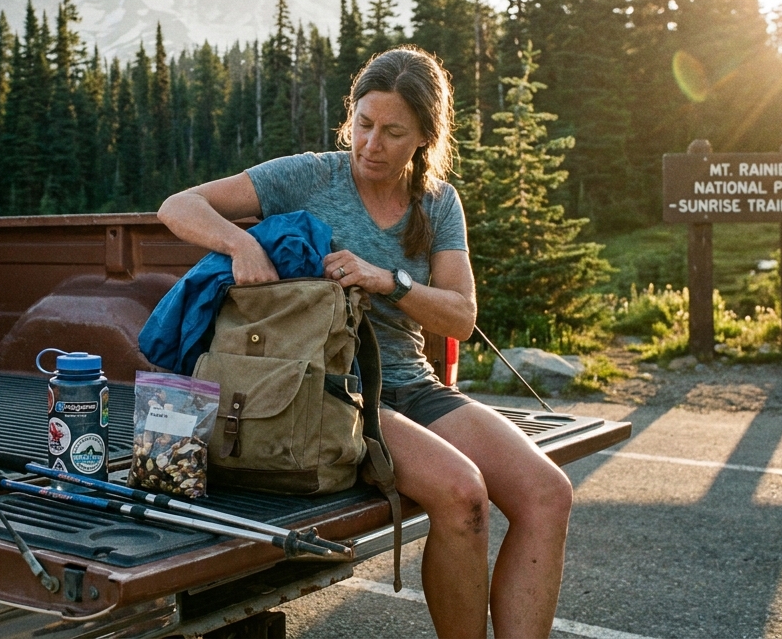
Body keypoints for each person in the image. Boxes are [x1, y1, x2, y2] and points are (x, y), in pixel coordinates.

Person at [157, 46, 574, 638]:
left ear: (423, 138)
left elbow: (460, 317)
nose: (371, 144)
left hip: (414, 387)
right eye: (364, 124)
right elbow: (179, 206)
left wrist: (390, 282)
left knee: (549, 495)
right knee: (462, 495)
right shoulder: (312, 176)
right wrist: (240, 245)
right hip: (338, 395)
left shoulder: (438, 202)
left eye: (393, 132)